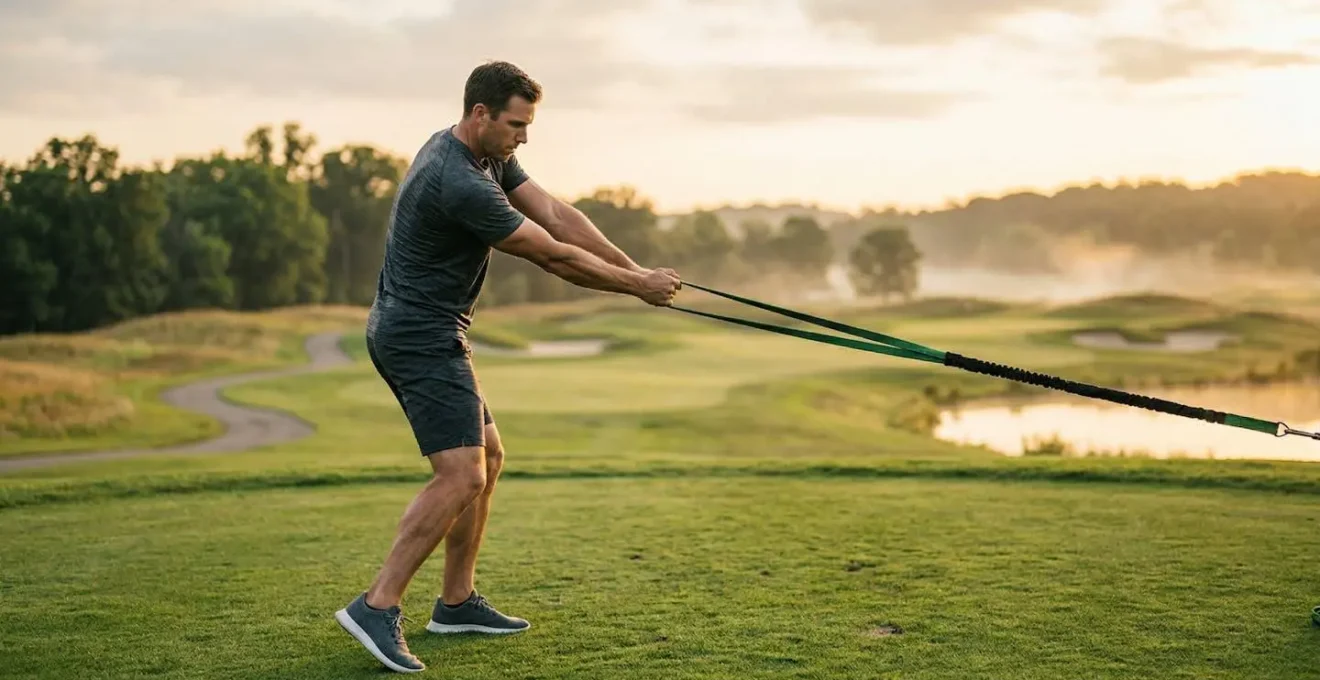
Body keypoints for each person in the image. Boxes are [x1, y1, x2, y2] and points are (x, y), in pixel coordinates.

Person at [334, 60, 683, 674]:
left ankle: (457, 602)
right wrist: (636, 287)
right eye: (517, 125)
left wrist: (635, 271)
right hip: (417, 333)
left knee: (488, 459)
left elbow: (557, 214)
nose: (524, 136)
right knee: (461, 476)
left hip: (432, 329)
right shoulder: (458, 179)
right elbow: (550, 255)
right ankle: (377, 605)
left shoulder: (486, 156)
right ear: (480, 114)